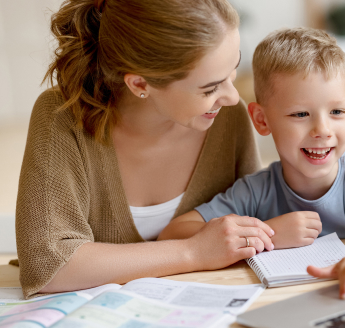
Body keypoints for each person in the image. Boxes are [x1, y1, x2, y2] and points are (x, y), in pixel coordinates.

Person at [15, 0, 276, 299]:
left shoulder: (228, 118)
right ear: (140, 83)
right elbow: (48, 265)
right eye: (210, 88)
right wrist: (192, 251)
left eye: (233, 70)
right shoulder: (62, 115)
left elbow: (257, 221)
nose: (231, 97)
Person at [158, 28, 345, 250]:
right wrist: (267, 233)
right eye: (300, 114)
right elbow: (172, 234)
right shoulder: (256, 192)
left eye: (337, 112)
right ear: (262, 120)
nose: (322, 130)